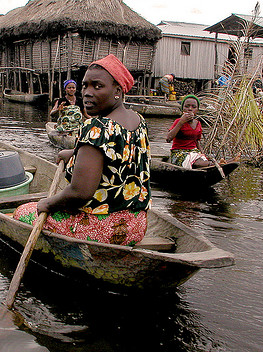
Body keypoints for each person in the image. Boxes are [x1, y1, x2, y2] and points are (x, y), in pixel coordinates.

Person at [13, 54, 151, 246]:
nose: (87, 92)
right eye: (85, 85)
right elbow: (117, 155)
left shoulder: (97, 127)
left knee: (22, 211)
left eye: (98, 86)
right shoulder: (138, 121)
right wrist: (74, 153)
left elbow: (80, 193)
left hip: (104, 230)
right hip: (135, 225)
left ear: (118, 90)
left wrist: (48, 203)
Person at [166, 95, 214, 169]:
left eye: (193, 107)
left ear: (197, 110)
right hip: (179, 153)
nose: (190, 109)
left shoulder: (198, 123)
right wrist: (181, 122)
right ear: (182, 109)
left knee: (203, 161)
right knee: (200, 163)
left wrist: (203, 154)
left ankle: (211, 164)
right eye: (187, 106)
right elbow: (168, 139)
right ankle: (210, 164)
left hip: (193, 152)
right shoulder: (178, 121)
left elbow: (197, 142)